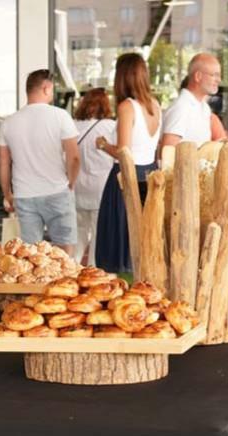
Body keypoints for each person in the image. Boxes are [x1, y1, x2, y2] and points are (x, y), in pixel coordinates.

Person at [0, 70, 81, 248]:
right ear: (46, 88)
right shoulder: (60, 116)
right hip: (57, 189)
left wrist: (7, 194)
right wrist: (71, 183)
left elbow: (3, 163)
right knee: (64, 249)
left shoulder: (9, 122)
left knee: (30, 253)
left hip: (24, 193)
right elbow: (74, 157)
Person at [94, 52, 162, 273]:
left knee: (120, 240)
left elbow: (125, 152)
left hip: (126, 179)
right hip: (150, 174)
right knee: (144, 236)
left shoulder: (127, 106)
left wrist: (104, 145)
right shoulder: (155, 105)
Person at [72, 88, 117, 265]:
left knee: (78, 234)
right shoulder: (109, 127)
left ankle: (71, 269)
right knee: (99, 235)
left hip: (77, 187)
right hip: (101, 189)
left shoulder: (73, 126)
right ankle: (93, 272)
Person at [160, 54, 220, 154]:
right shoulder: (181, 107)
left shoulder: (204, 107)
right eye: (214, 75)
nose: (218, 80)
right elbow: (167, 155)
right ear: (198, 76)